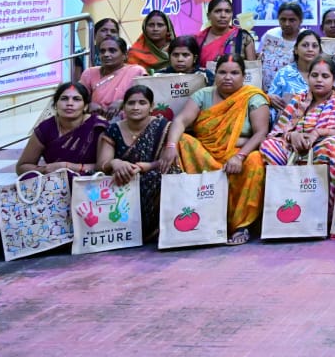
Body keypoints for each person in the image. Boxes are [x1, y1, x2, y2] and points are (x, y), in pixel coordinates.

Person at [163, 54, 270, 245]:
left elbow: (261, 133)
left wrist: (240, 156)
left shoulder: (252, 97)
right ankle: (200, 218)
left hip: (238, 156)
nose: (227, 77)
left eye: (234, 73)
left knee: (255, 160)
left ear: (243, 76)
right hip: (205, 155)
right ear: (215, 74)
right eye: (222, 72)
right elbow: (181, 121)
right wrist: (170, 146)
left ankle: (241, 225)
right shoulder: (203, 95)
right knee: (183, 140)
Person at [260, 58, 335, 211]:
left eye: (325, 76)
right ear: (308, 78)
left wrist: (318, 133)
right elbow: (280, 131)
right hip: (294, 148)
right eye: (314, 75)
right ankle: (283, 204)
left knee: (333, 145)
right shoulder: (299, 99)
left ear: (334, 79)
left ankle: (326, 211)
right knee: (269, 146)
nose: (319, 80)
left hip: (323, 146)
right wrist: (292, 136)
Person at [96, 84, 169, 238]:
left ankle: (152, 230)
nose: (136, 107)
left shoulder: (162, 126)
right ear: (124, 107)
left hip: (150, 176)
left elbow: (166, 161)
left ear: (151, 107)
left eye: (142, 103)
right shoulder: (114, 129)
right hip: (121, 179)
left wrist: (146, 166)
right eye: (131, 103)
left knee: (165, 175)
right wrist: (115, 163)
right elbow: (101, 164)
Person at [16, 82, 105, 177]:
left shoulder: (98, 126)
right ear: (55, 104)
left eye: (76, 99)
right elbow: (22, 166)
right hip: (56, 181)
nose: (69, 103)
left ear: (86, 106)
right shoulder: (46, 128)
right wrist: (45, 169)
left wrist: (66, 166)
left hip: (91, 181)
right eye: (64, 98)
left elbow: (105, 166)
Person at [79, 36, 149, 119]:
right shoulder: (89, 73)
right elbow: (78, 97)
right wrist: (89, 104)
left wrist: (123, 102)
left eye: (112, 51)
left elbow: (146, 99)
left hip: (128, 121)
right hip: (96, 121)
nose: (106, 54)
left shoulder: (136, 71)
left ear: (124, 55)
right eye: (102, 51)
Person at [267, 31, 322, 120]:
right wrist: (269, 98)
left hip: (320, 123)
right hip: (286, 124)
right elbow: (271, 99)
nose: (310, 49)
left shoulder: (327, 74)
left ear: (319, 51)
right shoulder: (284, 74)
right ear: (296, 49)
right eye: (305, 45)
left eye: (314, 46)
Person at [196, 0, 257, 66]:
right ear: (208, 16)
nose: (223, 15)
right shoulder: (199, 39)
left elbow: (253, 69)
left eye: (227, 11)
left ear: (232, 14)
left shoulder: (243, 38)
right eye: (218, 11)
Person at [258, 2, 303, 81]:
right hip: (268, 86)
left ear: (300, 20)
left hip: (295, 86)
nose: (287, 24)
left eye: (292, 20)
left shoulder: (306, 38)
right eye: (283, 19)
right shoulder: (270, 35)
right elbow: (259, 58)